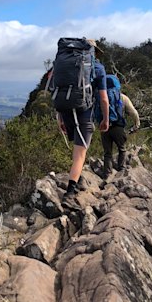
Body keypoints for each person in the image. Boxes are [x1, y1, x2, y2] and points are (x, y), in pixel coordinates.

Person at [57, 39, 109, 206]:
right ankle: (69, 194)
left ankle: (77, 178)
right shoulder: (98, 68)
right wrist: (106, 119)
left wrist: (60, 117)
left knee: (77, 151)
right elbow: (103, 98)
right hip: (84, 113)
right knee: (80, 154)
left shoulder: (65, 64)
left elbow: (58, 90)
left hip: (65, 109)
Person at [101, 93, 140, 178]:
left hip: (104, 127)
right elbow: (134, 113)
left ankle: (107, 174)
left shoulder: (102, 95)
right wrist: (136, 125)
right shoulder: (123, 97)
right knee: (122, 149)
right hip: (118, 126)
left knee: (107, 152)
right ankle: (121, 170)